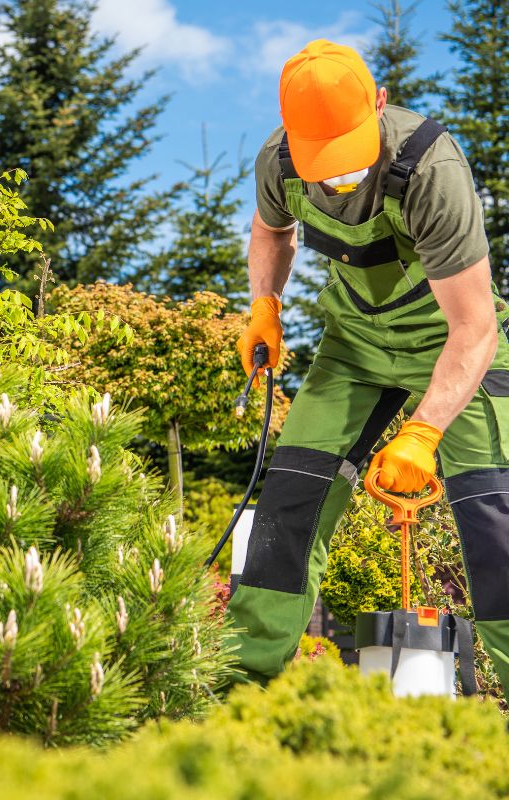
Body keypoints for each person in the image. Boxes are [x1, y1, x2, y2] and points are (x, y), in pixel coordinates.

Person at [228, 38, 509, 692]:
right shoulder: (280, 160)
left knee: (493, 513)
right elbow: (271, 231)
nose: (335, 174)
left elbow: (475, 326)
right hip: (355, 343)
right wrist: (264, 305)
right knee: (288, 500)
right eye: (319, 155)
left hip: (452, 340)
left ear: (379, 102)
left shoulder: (429, 168)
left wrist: (425, 431)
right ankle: (241, 681)